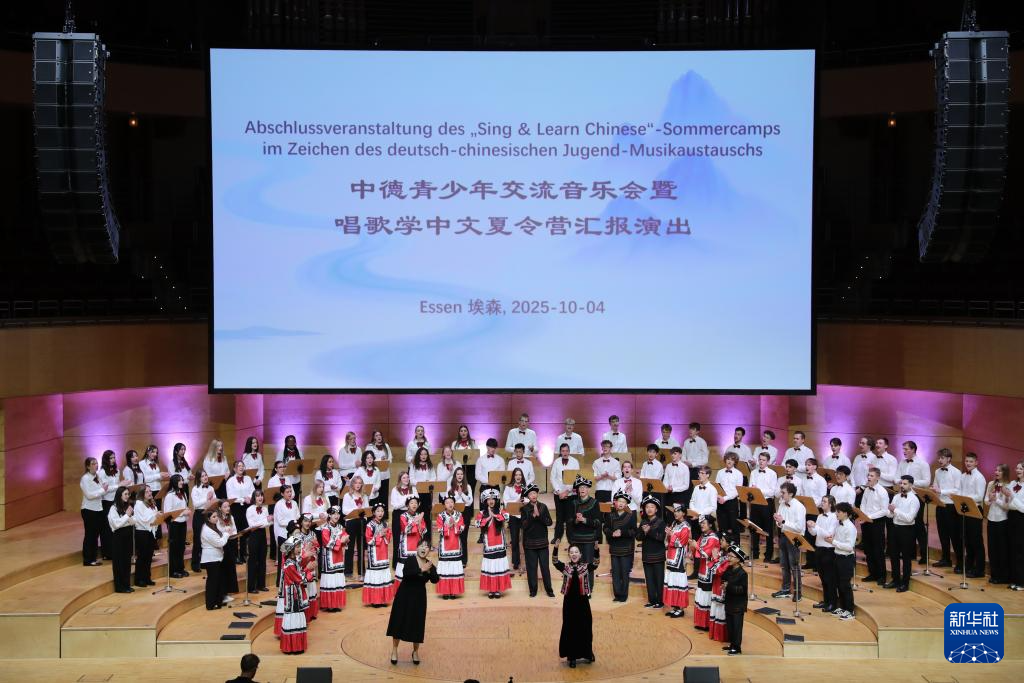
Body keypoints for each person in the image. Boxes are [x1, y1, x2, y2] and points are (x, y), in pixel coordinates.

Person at [387, 538, 439, 665]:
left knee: (417, 624)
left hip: (419, 598)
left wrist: (429, 570)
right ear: (417, 548)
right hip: (404, 595)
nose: (423, 548)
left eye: (426, 547)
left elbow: (435, 580)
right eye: (421, 546)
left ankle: (415, 652)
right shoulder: (410, 560)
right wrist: (421, 569)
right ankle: (394, 650)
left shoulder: (429, 564)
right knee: (399, 622)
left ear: (429, 550)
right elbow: (407, 573)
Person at [552, 544, 599, 668]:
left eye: (576, 552)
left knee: (586, 626)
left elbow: (595, 563)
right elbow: (555, 561)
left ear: (580, 554)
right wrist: (555, 548)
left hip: (583, 601)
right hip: (569, 603)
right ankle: (572, 656)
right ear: (569, 555)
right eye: (571, 552)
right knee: (570, 628)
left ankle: (587, 653)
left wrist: (596, 550)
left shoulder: (585, 567)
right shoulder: (565, 567)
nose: (574, 554)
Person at [565, 475, 602, 588]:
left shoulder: (595, 502)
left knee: (588, 566)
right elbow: (569, 521)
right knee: (576, 565)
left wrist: (584, 520)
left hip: (589, 540)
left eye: (585, 487)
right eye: (580, 487)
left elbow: (598, 522)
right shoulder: (573, 503)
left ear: (588, 489)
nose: (582, 489)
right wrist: (576, 520)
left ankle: (588, 588)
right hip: (576, 539)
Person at [771, 482, 806, 599]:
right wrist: (778, 521)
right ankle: (785, 589)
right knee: (784, 565)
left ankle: (798, 592)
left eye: (783, 492)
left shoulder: (799, 507)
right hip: (783, 536)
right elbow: (779, 522)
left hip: (794, 538)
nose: (781, 494)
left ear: (790, 494)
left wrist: (783, 522)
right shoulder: (782, 504)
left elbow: (799, 527)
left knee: (794, 566)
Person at [885, 475, 920, 592]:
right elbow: (890, 514)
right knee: (893, 556)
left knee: (906, 558)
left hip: (907, 530)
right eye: (901, 483)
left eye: (905, 484)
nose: (901, 486)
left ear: (911, 485)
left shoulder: (914, 500)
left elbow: (909, 518)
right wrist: (889, 511)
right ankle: (895, 580)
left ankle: (905, 583)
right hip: (894, 528)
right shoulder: (896, 497)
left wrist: (894, 510)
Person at [475, 488, 512, 598]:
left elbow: (507, 517)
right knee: (491, 567)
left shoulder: (500, 511)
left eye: (493, 499)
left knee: (499, 566)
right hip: (489, 545)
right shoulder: (482, 513)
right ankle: (491, 590)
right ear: (485, 501)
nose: (491, 501)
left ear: (496, 500)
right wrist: (488, 518)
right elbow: (477, 523)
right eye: (488, 499)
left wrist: (495, 516)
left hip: (500, 543)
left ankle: (497, 589)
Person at [520, 483, 554, 597]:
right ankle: (533, 590)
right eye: (530, 494)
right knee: (531, 568)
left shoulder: (543, 506)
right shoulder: (524, 509)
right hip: (530, 543)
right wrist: (532, 516)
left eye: (534, 493)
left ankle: (549, 590)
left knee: (545, 567)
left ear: (537, 494)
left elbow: (549, 522)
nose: (533, 495)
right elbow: (523, 526)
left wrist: (540, 516)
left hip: (542, 542)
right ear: (528, 496)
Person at [930, 448, 961, 569]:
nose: (939, 460)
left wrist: (941, 491)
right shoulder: (937, 471)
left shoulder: (956, 472)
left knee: (954, 535)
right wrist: (934, 489)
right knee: (942, 534)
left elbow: (957, 490)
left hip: (952, 506)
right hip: (940, 505)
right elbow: (936, 485)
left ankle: (959, 562)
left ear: (949, 459)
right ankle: (946, 559)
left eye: (942, 458)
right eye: (939, 458)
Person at [278, 537, 310, 654]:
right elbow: (298, 578)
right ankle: (293, 647)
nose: (299, 549)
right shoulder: (289, 564)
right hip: (293, 595)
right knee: (294, 617)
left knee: (296, 616)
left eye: (299, 546)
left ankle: (295, 646)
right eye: (297, 547)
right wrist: (308, 572)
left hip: (295, 593)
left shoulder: (293, 561)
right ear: (291, 549)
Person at [807, 494, 838, 611]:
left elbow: (829, 534)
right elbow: (814, 533)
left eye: (824, 501)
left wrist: (816, 526)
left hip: (828, 550)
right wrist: (810, 527)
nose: (822, 503)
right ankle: (826, 601)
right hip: (819, 549)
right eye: (822, 501)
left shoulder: (834, 517)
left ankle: (832, 603)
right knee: (823, 578)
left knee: (830, 579)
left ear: (830, 504)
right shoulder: (820, 516)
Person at [691, 515, 721, 633]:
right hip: (702, 570)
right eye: (701, 523)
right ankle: (701, 622)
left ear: (710, 525)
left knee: (706, 596)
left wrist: (696, 546)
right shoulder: (703, 536)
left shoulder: (713, 538)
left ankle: (707, 623)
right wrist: (692, 546)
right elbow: (696, 551)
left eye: (704, 523)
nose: (701, 525)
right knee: (701, 595)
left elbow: (705, 554)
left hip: (709, 571)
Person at [605, 491, 637, 602]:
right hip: (614, 548)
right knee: (615, 573)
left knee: (624, 573)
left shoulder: (630, 516)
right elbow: (605, 528)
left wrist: (622, 533)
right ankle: (617, 595)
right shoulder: (610, 515)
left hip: (626, 548)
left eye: (623, 502)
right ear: (615, 502)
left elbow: (634, 531)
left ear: (626, 504)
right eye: (619, 501)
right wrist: (611, 533)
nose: (621, 503)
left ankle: (623, 595)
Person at [959, 452, 987, 578]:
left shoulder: (979, 477)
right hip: (965, 509)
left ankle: (979, 570)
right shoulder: (963, 475)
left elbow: (979, 496)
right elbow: (960, 491)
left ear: (976, 463)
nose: (968, 463)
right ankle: (969, 566)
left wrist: (965, 498)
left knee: (976, 540)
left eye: (971, 461)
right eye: (966, 461)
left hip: (975, 510)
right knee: (967, 540)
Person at [860, 467, 889, 584]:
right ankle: (872, 573)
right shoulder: (867, 490)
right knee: (868, 549)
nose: (869, 477)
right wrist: (863, 515)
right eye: (868, 475)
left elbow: (884, 510)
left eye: (871, 476)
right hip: (866, 522)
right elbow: (862, 504)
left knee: (878, 550)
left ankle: (882, 576)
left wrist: (868, 517)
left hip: (877, 523)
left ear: (877, 478)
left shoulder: (882, 491)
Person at [637, 495, 666, 608]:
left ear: (656, 509)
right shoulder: (643, 522)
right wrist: (644, 532)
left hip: (658, 555)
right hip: (646, 555)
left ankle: (660, 601)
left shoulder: (661, 522)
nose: (649, 509)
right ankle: (652, 600)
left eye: (652, 507)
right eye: (647, 507)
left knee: (659, 579)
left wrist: (649, 531)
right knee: (649, 579)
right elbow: (638, 537)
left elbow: (661, 538)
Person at [363, 502, 395, 606]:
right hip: (374, 554)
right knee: (376, 575)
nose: (380, 513)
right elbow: (368, 540)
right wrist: (379, 535)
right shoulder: (370, 525)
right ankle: (375, 601)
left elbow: (388, 538)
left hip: (383, 553)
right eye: (378, 511)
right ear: (373, 513)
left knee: (383, 573)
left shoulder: (385, 524)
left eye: (382, 511)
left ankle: (383, 599)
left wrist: (385, 535)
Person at [318, 506, 349, 611]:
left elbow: (345, 536)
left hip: (339, 557)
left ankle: (336, 604)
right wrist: (341, 540)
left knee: (337, 578)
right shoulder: (325, 528)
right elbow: (327, 542)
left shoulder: (340, 527)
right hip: (329, 558)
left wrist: (345, 539)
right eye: (334, 513)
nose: (337, 516)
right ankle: (330, 605)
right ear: (329, 515)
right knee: (331, 579)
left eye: (338, 513)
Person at [984, 464, 1011, 584]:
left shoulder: (1008, 486)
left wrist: (997, 500)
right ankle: (994, 574)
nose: (996, 472)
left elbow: (1007, 507)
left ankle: (1003, 576)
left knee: (1002, 549)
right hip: (991, 519)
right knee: (992, 548)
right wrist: (990, 499)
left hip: (1002, 520)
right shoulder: (991, 484)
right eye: (996, 470)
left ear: (1005, 473)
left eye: (999, 471)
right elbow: (986, 501)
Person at [436, 493, 466, 598]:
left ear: (454, 503)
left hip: (455, 545)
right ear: (444, 505)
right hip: (445, 546)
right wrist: (448, 526)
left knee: (454, 568)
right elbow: (439, 529)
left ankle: (454, 591)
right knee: (445, 568)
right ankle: (445, 591)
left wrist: (456, 525)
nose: (450, 504)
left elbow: (462, 528)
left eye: (451, 502)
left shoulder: (459, 515)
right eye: (447, 502)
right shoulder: (440, 516)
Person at [663, 503, 691, 617]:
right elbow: (667, 542)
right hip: (671, 556)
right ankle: (675, 606)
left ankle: (680, 608)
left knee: (678, 581)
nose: (676, 513)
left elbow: (681, 543)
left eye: (678, 511)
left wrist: (671, 535)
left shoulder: (686, 526)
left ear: (683, 513)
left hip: (679, 558)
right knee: (672, 581)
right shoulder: (674, 523)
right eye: (675, 511)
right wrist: (668, 535)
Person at [830, 502, 858, 619]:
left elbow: (849, 547)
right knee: (838, 584)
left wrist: (833, 542)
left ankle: (850, 611)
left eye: (839, 512)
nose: (836, 514)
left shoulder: (850, 528)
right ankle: (842, 607)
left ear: (845, 513)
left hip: (846, 559)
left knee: (845, 585)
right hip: (837, 556)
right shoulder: (838, 524)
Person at [748, 452, 777, 561]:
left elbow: (772, 492)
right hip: (755, 502)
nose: (761, 461)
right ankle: (754, 553)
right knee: (754, 528)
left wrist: (758, 490)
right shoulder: (753, 472)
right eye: (760, 459)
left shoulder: (772, 473)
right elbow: (750, 487)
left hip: (766, 503)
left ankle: (768, 555)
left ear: (768, 461)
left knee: (768, 529)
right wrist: (754, 490)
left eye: (763, 460)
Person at [80, 457, 108, 567]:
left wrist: (103, 489)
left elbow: (103, 490)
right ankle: (88, 559)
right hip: (89, 510)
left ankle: (93, 558)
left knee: (96, 535)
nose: (96, 465)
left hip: (98, 509)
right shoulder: (85, 478)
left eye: (96, 463)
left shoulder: (98, 476)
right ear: (88, 466)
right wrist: (102, 490)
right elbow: (89, 495)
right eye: (93, 464)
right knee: (90, 535)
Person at [722, 544, 749, 655]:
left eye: (731, 557)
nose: (729, 558)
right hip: (729, 602)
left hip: (738, 605)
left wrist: (728, 586)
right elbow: (723, 578)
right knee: (730, 625)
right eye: (728, 556)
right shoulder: (729, 569)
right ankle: (732, 644)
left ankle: (737, 647)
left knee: (737, 626)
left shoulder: (743, 574)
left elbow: (742, 590)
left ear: (738, 560)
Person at [550, 443, 580, 542]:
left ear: (569, 451)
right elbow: (553, 478)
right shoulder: (556, 462)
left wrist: (566, 492)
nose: (565, 453)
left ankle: (571, 537)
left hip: (570, 494)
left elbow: (576, 478)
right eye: (563, 451)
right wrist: (559, 492)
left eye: (566, 451)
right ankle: (557, 537)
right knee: (559, 516)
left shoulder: (575, 462)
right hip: (558, 494)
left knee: (570, 517)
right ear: (560, 452)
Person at [108, 485, 135, 593]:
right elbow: (116, 524)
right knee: (119, 562)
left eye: (128, 494)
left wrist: (128, 518)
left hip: (128, 536)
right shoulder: (113, 508)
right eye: (125, 494)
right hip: (119, 538)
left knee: (127, 561)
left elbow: (132, 521)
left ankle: (126, 584)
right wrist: (127, 516)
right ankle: (120, 587)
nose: (127, 496)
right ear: (119, 495)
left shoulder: (126, 506)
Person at [395, 495, 427, 588]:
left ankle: (416, 588)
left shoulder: (419, 516)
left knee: (417, 566)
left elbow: (424, 530)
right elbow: (406, 530)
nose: (414, 505)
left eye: (416, 503)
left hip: (417, 545)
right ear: (407, 505)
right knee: (404, 567)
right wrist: (415, 522)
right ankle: (403, 588)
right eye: (411, 503)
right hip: (406, 546)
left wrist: (419, 522)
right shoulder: (403, 516)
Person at [227, 460, 255, 563]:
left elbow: (252, 491)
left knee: (245, 530)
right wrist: (243, 499)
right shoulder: (230, 481)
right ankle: (235, 556)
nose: (241, 467)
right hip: (236, 507)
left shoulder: (248, 478)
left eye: (242, 465)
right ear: (234, 469)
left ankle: (243, 554)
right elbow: (231, 496)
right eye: (239, 466)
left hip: (247, 507)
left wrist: (249, 498)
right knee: (236, 531)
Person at [201, 510, 229, 609]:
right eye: (214, 517)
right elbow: (220, 543)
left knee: (218, 581)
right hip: (211, 559)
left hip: (216, 558)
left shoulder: (212, 526)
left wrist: (224, 531)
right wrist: (226, 534)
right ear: (208, 519)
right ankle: (210, 604)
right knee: (212, 582)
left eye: (216, 516)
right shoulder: (207, 530)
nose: (216, 518)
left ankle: (218, 601)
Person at [341, 476, 369, 577]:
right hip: (351, 522)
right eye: (356, 483)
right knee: (350, 547)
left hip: (361, 522)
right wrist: (356, 511)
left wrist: (364, 517)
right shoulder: (347, 496)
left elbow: (367, 509)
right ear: (352, 484)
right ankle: (348, 571)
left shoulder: (364, 496)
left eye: (360, 483)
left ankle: (362, 570)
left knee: (361, 546)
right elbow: (344, 510)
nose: (358, 485)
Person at [246, 489, 272, 593]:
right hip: (254, 536)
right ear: (254, 498)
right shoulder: (250, 509)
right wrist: (265, 521)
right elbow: (252, 525)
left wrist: (266, 522)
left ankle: (261, 585)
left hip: (262, 535)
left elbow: (269, 523)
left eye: (261, 495)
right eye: (257, 496)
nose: (260, 497)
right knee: (253, 561)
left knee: (262, 560)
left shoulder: (265, 509)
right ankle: (251, 587)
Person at [273, 485, 300, 583]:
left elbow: (298, 515)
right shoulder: (279, 505)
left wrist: (294, 522)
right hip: (283, 535)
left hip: (293, 534)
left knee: (292, 557)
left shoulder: (294, 503)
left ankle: (292, 578)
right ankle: (281, 581)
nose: (289, 493)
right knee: (283, 558)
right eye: (287, 492)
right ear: (282, 494)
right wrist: (292, 522)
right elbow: (280, 521)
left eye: (290, 491)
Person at [191, 468, 216, 572]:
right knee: (198, 539)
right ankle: (195, 563)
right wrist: (206, 498)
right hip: (199, 515)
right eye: (202, 476)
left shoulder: (211, 488)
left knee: (208, 539)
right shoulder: (195, 489)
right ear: (198, 478)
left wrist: (211, 500)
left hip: (209, 514)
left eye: (206, 475)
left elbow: (214, 500)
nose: (205, 477)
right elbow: (196, 504)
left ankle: (205, 562)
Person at [503, 467, 528, 570]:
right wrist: (516, 501)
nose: (518, 476)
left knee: (526, 540)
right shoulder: (508, 488)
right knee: (514, 539)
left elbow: (529, 499)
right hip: (513, 516)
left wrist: (524, 501)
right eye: (516, 475)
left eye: (520, 475)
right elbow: (506, 502)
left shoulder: (526, 487)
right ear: (513, 476)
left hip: (524, 516)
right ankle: (516, 562)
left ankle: (528, 561)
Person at [133, 487, 159, 587]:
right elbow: (143, 519)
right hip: (142, 532)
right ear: (142, 494)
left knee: (149, 556)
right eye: (147, 492)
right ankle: (139, 579)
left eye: (150, 491)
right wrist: (155, 515)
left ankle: (147, 578)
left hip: (150, 532)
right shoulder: (139, 504)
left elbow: (154, 518)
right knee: (142, 557)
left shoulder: (152, 503)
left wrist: (157, 517)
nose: (149, 493)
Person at [449, 467, 474, 567]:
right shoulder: (451, 487)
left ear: (463, 476)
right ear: (455, 476)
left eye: (461, 474)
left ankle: (464, 560)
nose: (459, 476)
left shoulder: (468, 486)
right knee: (454, 536)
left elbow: (469, 501)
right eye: (458, 474)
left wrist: (461, 494)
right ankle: (454, 558)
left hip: (465, 512)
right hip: (454, 512)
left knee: (463, 537)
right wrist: (458, 496)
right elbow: (449, 501)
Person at [715, 453, 743, 543]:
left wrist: (725, 498)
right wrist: (719, 497)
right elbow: (717, 486)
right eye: (728, 459)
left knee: (734, 527)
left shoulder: (739, 474)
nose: (729, 461)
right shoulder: (720, 472)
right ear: (725, 460)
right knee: (722, 526)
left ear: (735, 462)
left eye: (732, 459)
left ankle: (736, 548)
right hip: (720, 502)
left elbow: (737, 491)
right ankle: (722, 548)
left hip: (732, 502)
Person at [98, 450, 120, 560]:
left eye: (114, 457)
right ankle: (107, 552)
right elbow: (105, 489)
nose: (113, 460)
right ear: (106, 459)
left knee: (115, 525)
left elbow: (117, 485)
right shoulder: (102, 472)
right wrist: (118, 486)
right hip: (106, 501)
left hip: (115, 500)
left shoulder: (117, 471)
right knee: (106, 527)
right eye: (111, 458)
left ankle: (114, 550)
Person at [409, 448, 435, 537]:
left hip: (427, 493)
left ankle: (427, 538)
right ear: (418, 455)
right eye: (421, 454)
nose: (423, 456)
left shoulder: (430, 465)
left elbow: (433, 477)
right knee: (417, 513)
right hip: (417, 493)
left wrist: (429, 482)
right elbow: (411, 479)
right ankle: (418, 537)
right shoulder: (413, 465)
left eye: (425, 454)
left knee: (427, 514)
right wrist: (420, 484)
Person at [218, 499, 240, 602]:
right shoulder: (218, 519)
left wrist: (232, 533)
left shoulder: (231, 517)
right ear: (220, 508)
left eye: (228, 506)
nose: (228, 508)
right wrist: (226, 531)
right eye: (225, 507)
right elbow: (219, 531)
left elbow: (234, 529)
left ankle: (228, 591)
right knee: (224, 568)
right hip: (223, 545)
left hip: (231, 543)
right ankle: (223, 593)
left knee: (231, 567)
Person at [365, 430, 393, 512]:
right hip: (374, 474)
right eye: (377, 435)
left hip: (385, 474)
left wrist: (386, 460)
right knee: (375, 495)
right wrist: (379, 460)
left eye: (380, 435)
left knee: (384, 495)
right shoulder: (370, 446)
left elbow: (390, 458)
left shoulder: (386, 445)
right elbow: (367, 458)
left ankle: (384, 514)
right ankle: (375, 513)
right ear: (374, 437)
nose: (379, 437)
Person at [662, 447, 691, 521]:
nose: (672, 455)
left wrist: (674, 489)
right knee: (669, 516)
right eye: (672, 454)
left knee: (679, 516)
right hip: (668, 495)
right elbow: (665, 480)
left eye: (675, 453)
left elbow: (686, 485)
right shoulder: (668, 466)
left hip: (680, 496)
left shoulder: (685, 467)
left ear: (680, 455)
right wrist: (666, 487)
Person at [1007, 462, 1024, 591]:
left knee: (1020, 551)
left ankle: (1021, 582)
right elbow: (1009, 503)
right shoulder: (1012, 483)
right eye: (1017, 468)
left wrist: (1012, 496)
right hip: (1011, 516)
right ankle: (1014, 579)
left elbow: (1023, 508)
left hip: (1021, 519)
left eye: (1021, 468)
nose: (1017, 470)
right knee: (1011, 548)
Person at [451, 425, 478, 495]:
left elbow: (476, 455)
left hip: (471, 468)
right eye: (461, 431)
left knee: (471, 488)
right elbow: (452, 456)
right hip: (459, 468)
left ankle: (471, 502)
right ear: (459, 433)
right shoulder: (454, 443)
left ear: (467, 432)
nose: (463, 432)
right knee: (459, 488)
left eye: (465, 431)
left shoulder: (472, 443)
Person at [280, 435, 303, 500]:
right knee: (286, 499)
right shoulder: (281, 453)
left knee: (295, 499)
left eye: (293, 441)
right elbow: (277, 466)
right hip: (286, 481)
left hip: (297, 481)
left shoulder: (300, 453)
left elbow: (302, 465)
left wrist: (297, 471)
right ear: (286, 443)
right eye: (289, 442)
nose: (291, 443)